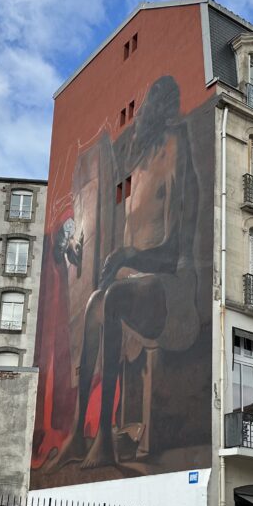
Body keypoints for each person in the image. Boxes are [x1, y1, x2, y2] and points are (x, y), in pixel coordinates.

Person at [49, 74, 202, 470]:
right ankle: (78, 436)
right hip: (142, 281)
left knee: (112, 297)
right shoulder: (143, 162)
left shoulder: (177, 150)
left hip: (175, 288)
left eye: (165, 106)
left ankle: (104, 439)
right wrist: (123, 260)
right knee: (94, 305)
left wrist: (124, 256)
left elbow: (171, 252)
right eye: (157, 106)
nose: (158, 115)